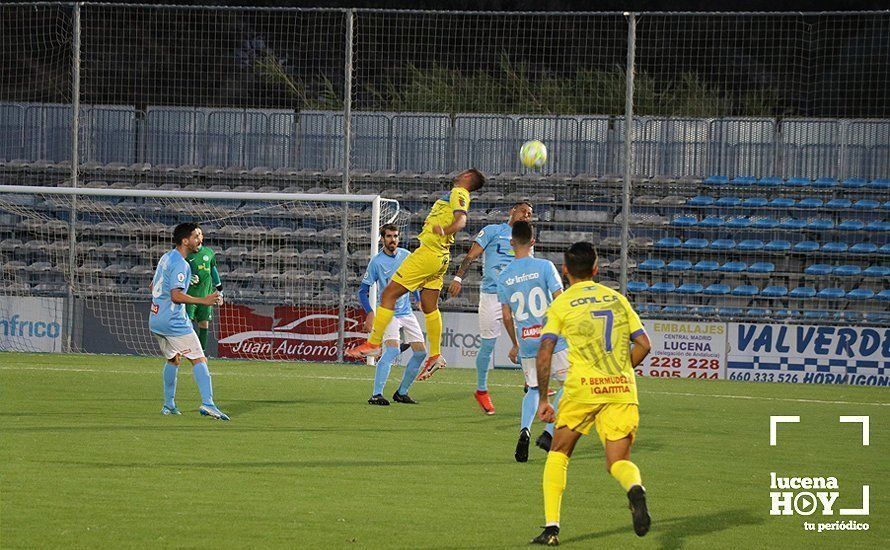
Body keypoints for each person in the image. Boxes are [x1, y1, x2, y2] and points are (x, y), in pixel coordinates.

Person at [531, 242, 652, 546]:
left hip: (582, 389)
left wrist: (544, 399)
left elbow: (545, 350)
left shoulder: (562, 303)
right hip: (621, 389)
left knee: (558, 452)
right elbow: (644, 345)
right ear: (597, 270)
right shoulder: (618, 299)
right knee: (617, 461)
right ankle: (635, 489)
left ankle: (551, 528)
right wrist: (621, 372)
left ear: (565, 271)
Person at [346, 168, 486, 382]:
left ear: (467, 177)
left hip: (428, 253)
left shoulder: (460, 192)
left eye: (463, 173)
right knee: (430, 307)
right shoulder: (458, 194)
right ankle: (436, 355)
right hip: (441, 258)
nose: (458, 174)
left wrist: (444, 230)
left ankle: (374, 344)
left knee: (388, 295)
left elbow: (461, 222)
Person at [447, 201, 533, 415]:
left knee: (528, 340)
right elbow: (471, 255)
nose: (527, 216)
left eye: (530, 214)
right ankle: (482, 390)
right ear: (512, 211)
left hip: (517, 296)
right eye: (524, 211)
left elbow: (529, 268)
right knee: (487, 346)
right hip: (492, 295)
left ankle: (531, 382)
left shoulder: (528, 239)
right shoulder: (493, 231)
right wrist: (458, 277)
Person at [495, 221, 567, 462]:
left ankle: (524, 430)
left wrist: (515, 343)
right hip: (553, 338)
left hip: (526, 340)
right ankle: (548, 432)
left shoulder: (504, 276)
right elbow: (560, 299)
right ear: (533, 242)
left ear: (511, 243)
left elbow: (506, 316)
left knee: (534, 388)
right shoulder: (545, 267)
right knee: (570, 385)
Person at [149, 222, 229, 421]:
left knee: (173, 359)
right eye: (195, 237)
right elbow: (176, 296)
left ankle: (168, 405)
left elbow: (153, 285)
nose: (199, 240)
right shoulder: (181, 264)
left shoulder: (166, 257)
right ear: (185, 241)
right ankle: (208, 404)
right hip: (173, 321)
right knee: (199, 359)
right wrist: (204, 300)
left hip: (156, 317)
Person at [358, 224, 427, 406]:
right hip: (388, 313)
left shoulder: (406, 256)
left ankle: (402, 392)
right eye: (388, 236)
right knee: (393, 350)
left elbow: (414, 280)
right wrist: (370, 313)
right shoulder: (377, 262)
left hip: (407, 312)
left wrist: (418, 298)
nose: (392, 239)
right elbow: (362, 291)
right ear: (382, 239)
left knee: (421, 353)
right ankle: (376, 394)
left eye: (395, 236)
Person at [185, 227, 222, 352]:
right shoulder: (186, 254)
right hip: (190, 296)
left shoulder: (209, 252)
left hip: (206, 296)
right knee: (186, 324)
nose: (198, 236)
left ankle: (201, 352)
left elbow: (213, 270)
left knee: (204, 323)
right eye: (195, 234)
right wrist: (187, 278)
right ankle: (186, 350)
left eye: (200, 234)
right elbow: (179, 271)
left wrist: (219, 290)